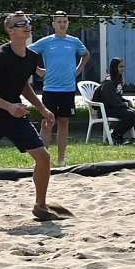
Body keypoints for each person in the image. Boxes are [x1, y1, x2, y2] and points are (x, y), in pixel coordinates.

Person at [0, 11, 71, 225]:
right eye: (21, 23)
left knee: (44, 157)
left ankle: (40, 206)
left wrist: (43, 109)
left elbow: (23, 85)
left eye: (28, 22)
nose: (27, 26)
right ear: (10, 30)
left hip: (14, 116)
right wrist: (9, 106)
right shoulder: (0, 56)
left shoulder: (30, 57)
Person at [28, 11, 88, 166]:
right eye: (59, 22)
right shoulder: (46, 42)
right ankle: (43, 159)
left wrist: (78, 69)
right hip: (50, 88)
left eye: (65, 21)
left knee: (64, 122)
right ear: (53, 24)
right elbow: (27, 53)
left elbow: (85, 54)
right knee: (47, 122)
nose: (62, 24)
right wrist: (38, 70)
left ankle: (61, 159)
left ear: (68, 24)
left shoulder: (74, 41)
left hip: (68, 88)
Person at [92, 59, 135, 143]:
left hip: (116, 108)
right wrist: (125, 104)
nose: (122, 69)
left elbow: (118, 97)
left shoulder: (117, 81)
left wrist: (127, 101)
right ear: (114, 68)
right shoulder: (108, 83)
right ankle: (114, 135)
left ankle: (118, 134)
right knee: (130, 114)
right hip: (106, 109)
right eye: (120, 67)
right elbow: (113, 101)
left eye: (123, 66)